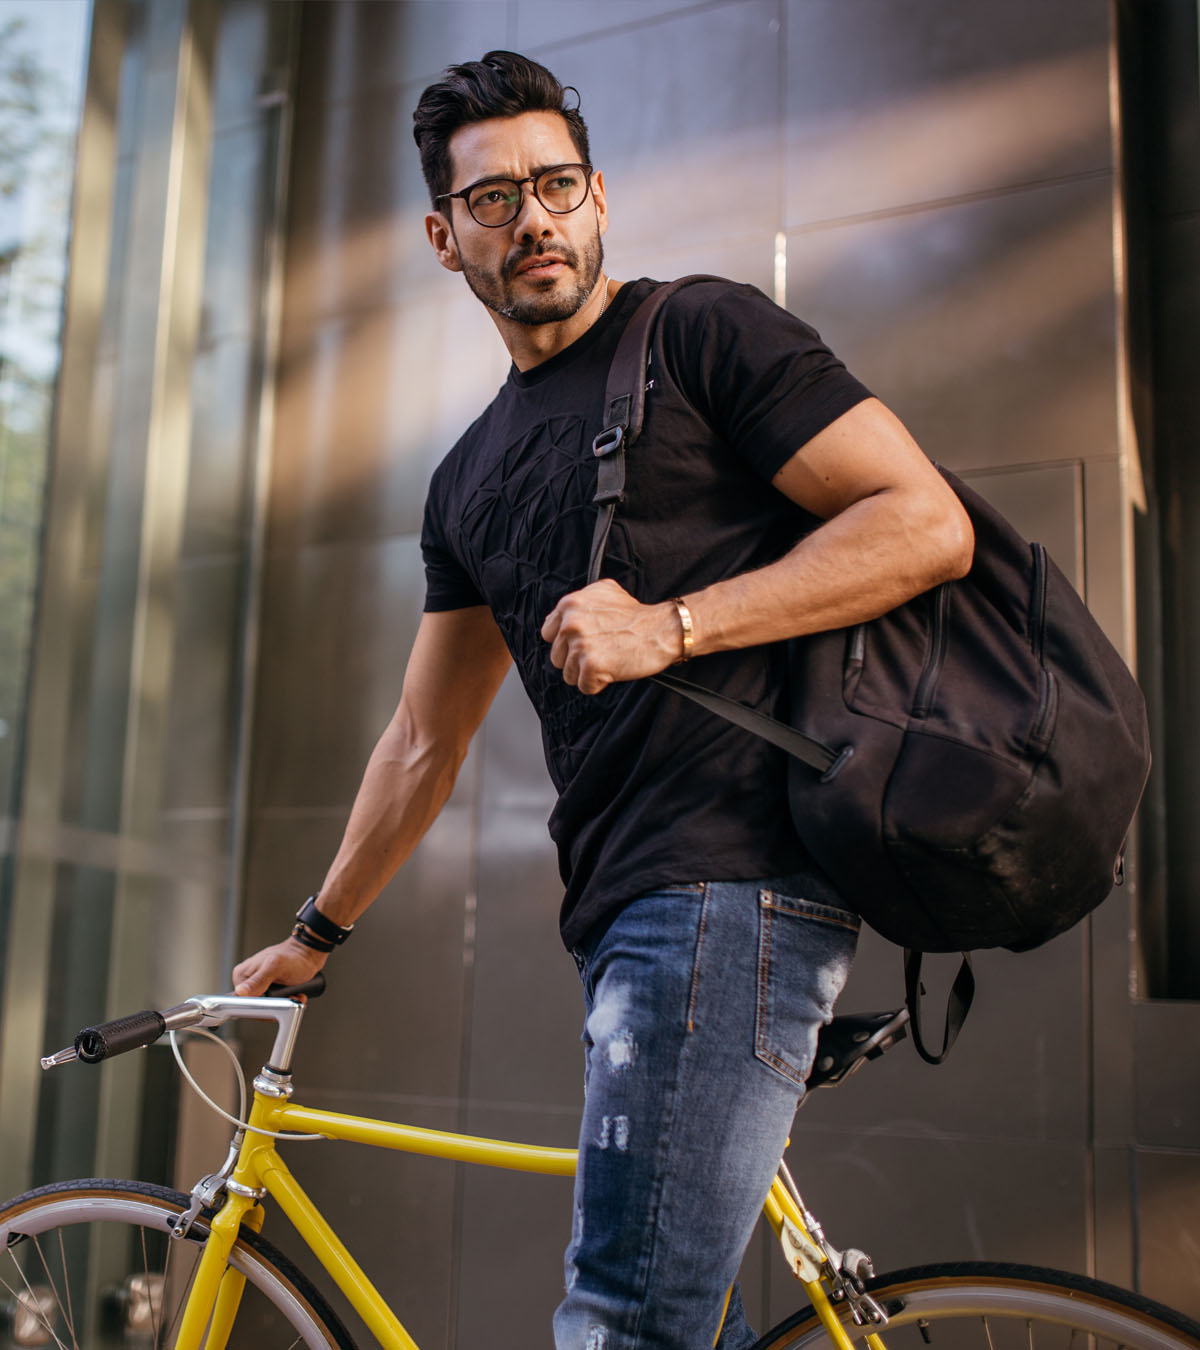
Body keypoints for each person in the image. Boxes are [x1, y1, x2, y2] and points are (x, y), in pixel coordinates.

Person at [233, 50, 974, 1350]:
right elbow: (424, 736)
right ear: (442, 234)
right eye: (494, 197)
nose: (533, 217)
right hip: (631, 910)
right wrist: (318, 928)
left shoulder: (700, 334)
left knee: (623, 1324)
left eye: (557, 183)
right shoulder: (468, 475)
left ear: (600, 199)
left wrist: (671, 623)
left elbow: (921, 522)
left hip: (728, 884)